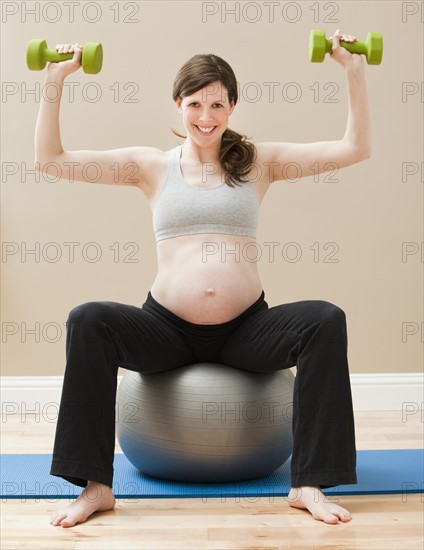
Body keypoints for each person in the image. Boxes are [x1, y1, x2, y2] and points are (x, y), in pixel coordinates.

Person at [35, 29, 371, 528]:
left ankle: (309, 483)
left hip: (245, 331)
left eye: (217, 104)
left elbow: (354, 148)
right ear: (178, 104)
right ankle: (96, 486)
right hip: (165, 329)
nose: (206, 117)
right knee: (88, 320)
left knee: (325, 320)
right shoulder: (150, 166)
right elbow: (51, 161)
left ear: (232, 105)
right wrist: (54, 79)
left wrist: (353, 70)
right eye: (195, 103)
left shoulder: (260, 161)